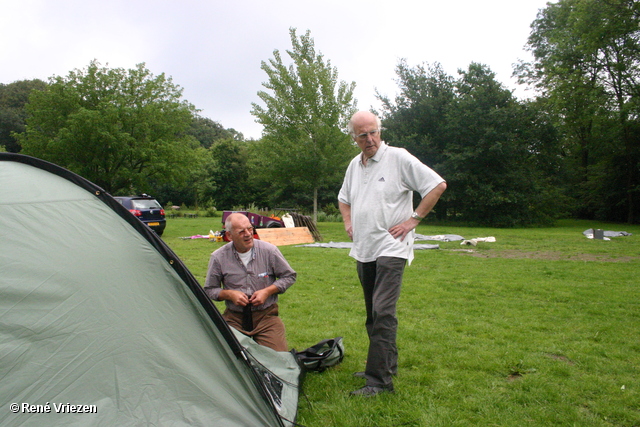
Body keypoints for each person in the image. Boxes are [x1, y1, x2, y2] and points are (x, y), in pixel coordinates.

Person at [338, 111, 447, 396]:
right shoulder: (354, 165)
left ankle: (379, 382)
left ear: (379, 130)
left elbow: (437, 185)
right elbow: (343, 198)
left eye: (373, 132)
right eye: (363, 135)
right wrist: (348, 222)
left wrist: (413, 220)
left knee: (383, 311)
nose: (370, 139)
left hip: (391, 247)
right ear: (354, 138)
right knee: (373, 315)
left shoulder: (398, 158)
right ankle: (385, 364)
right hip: (364, 248)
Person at [204, 212, 296, 351]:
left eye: (250, 229)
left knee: (279, 361)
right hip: (234, 318)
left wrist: (267, 291)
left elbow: (289, 276)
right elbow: (210, 289)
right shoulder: (218, 257)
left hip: (266, 316)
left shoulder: (269, 251)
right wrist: (229, 294)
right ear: (229, 236)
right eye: (241, 231)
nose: (248, 234)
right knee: (226, 358)